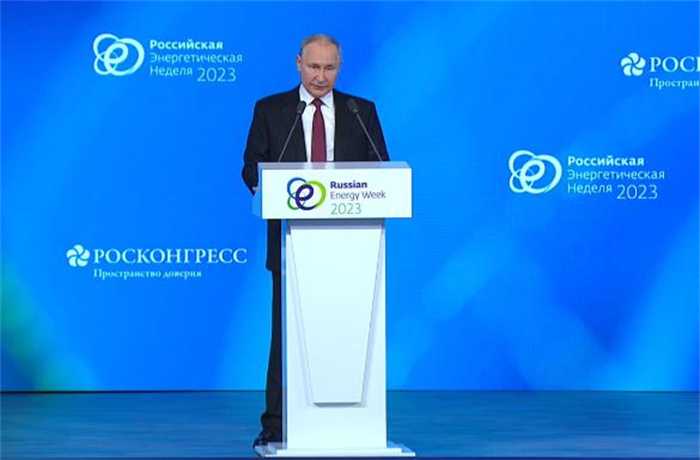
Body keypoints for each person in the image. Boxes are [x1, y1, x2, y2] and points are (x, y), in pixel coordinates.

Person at [241, 33, 389, 448]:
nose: (321, 76)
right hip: (291, 246)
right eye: (313, 67)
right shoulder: (271, 110)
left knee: (348, 332)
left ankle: (351, 420)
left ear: (339, 67)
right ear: (298, 64)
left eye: (329, 68)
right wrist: (270, 189)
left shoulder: (361, 111)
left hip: (352, 249)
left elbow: (381, 167)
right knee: (285, 337)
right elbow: (251, 167)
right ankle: (276, 424)